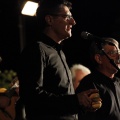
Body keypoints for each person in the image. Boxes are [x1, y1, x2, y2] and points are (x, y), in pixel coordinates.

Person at [17, 0, 100, 119]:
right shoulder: (37, 50)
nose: (73, 22)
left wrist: (82, 104)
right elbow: (31, 96)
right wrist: (75, 100)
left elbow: (62, 99)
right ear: (49, 20)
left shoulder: (59, 52)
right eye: (67, 17)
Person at [76, 37, 120, 120]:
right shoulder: (90, 84)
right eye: (113, 53)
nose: (119, 56)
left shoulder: (118, 82)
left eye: (119, 52)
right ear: (99, 59)